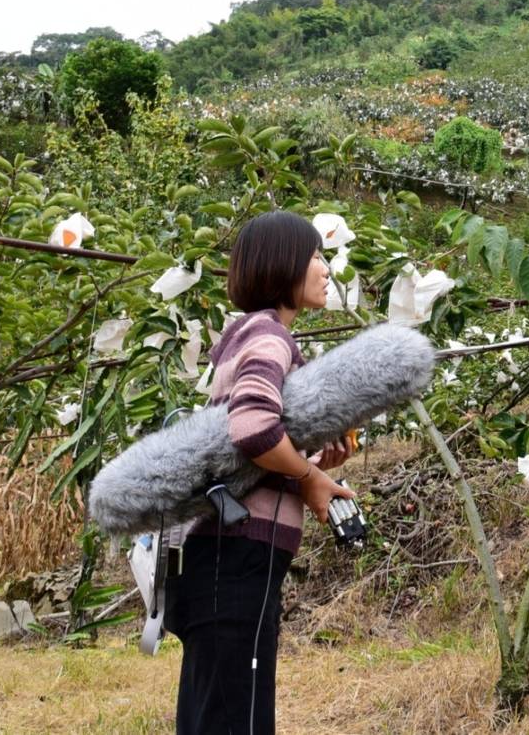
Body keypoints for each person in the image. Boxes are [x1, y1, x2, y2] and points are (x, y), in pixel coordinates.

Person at [164, 210, 356, 735]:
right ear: (284, 266)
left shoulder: (242, 337)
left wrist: (309, 468)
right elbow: (251, 426)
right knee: (237, 718)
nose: (324, 267)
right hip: (236, 556)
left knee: (215, 711)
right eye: (315, 255)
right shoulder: (270, 337)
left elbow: (249, 450)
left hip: (223, 554)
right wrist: (310, 477)